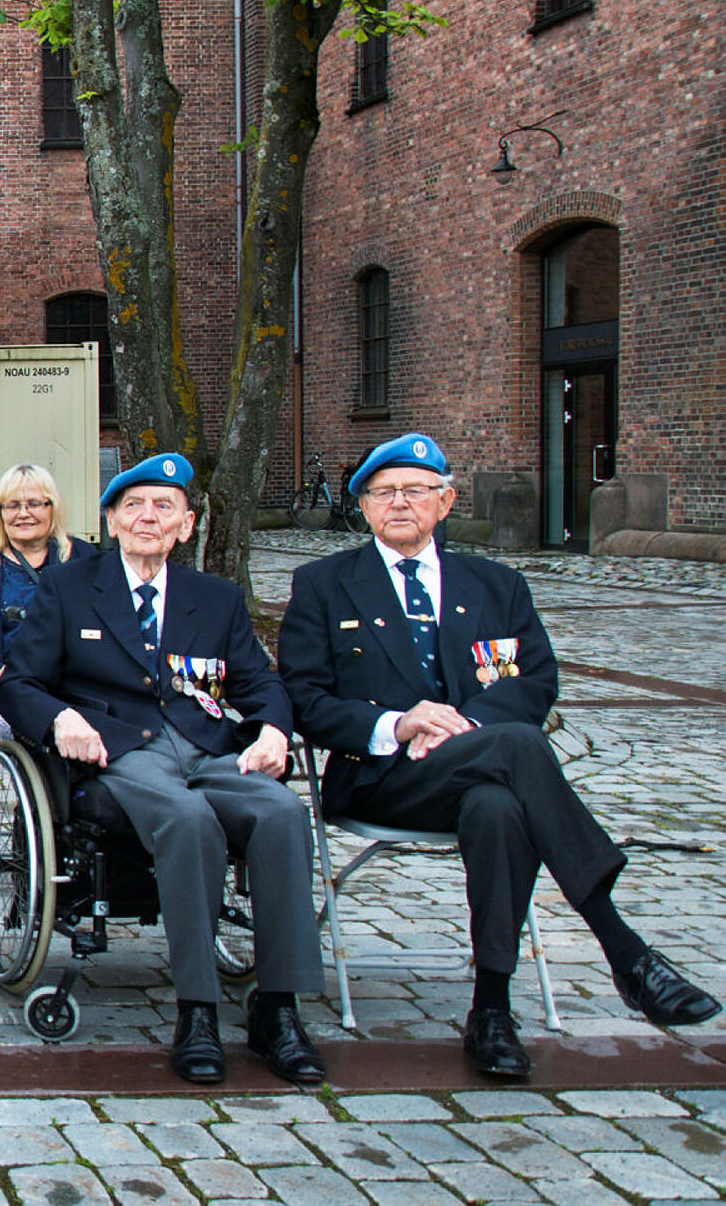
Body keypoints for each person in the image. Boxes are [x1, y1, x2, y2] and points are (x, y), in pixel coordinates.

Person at [279, 432, 718, 1078]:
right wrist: (400, 724)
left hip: (478, 770)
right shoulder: (323, 585)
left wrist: (465, 728)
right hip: (381, 775)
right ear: (364, 508)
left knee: (499, 807)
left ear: (447, 500)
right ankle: (623, 949)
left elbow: (535, 681)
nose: (400, 503)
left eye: (416, 491)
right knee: (517, 747)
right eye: (383, 493)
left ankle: (491, 1010)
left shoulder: (497, 586)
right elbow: (305, 698)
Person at [0, 453, 327, 1086]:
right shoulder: (71, 589)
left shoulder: (217, 598)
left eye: (164, 507)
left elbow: (261, 683)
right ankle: (197, 1009)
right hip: (117, 752)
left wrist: (275, 733)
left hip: (206, 747)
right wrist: (61, 719)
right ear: (112, 522)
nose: (148, 517)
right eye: (134, 507)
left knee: (283, 812)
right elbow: (21, 685)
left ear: (186, 525)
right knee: (188, 817)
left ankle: (277, 1007)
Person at [0, 462, 95, 738]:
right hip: (0, 686)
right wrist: (2, 675)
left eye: (35, 504)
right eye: (12, 505)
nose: (23, 514)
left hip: (72, 685)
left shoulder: (85, 560)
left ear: (52, 507)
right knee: (3, 720)